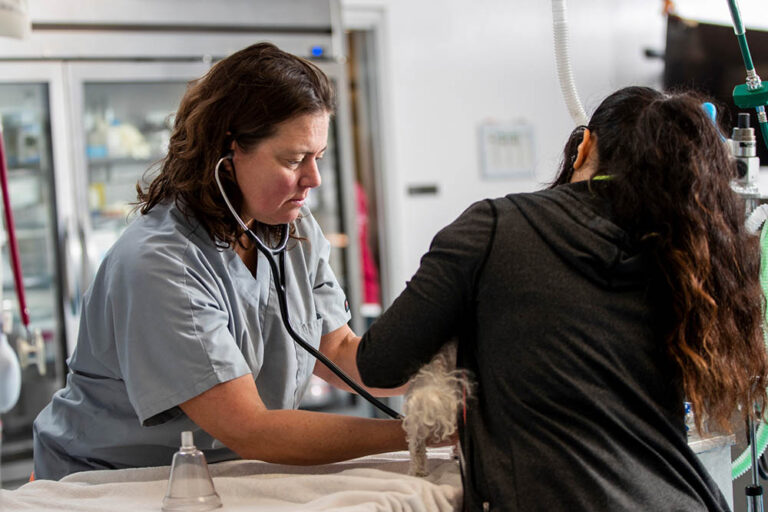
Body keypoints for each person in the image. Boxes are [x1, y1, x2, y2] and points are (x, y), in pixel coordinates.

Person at [355, 86, 768, 510]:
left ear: (585, 143)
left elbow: (379, 363)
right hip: (687, 496)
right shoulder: (688, 252)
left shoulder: (493, 227)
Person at [32, 42, 409, 480]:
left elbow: (340, 352)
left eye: (318, 158)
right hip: (112, 483)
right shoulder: (161, 264)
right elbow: (252, 430)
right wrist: (414, 434)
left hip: (227, 475)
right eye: (293, 159)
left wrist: (454, 382)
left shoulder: (293, 230)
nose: (314, 179)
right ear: (228, 156)